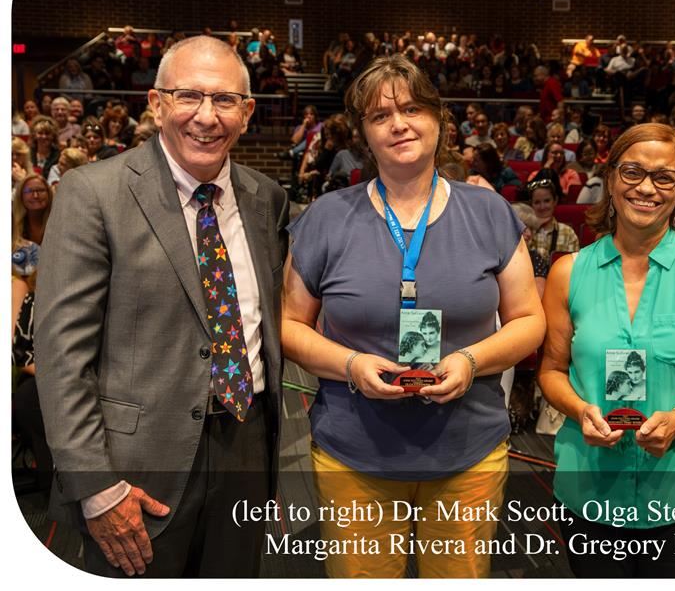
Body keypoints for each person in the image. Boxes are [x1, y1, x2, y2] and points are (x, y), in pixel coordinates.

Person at [281, 54, 545, 578]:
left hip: (467, 451)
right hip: (355, 452)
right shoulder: (326, 218)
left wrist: (471, 360)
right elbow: (290, 327)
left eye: (411, 109)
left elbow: (528, 320)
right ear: (364, 134)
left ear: (439, 120)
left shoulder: (489, 212)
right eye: (381, 116)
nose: (399, 124)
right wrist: (352, 364)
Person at [34, 35, 289, 577]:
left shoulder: (267, 198)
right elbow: (61, 356)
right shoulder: (93, 193)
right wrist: (95, 485)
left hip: (246, 441)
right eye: (188, 96)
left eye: (224, 100)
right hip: (135, 462)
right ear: (155, 104)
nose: (206, 116)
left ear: (246, 113)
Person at [538, 122, 675, 577]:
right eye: (632, 172)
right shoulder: (567, 273)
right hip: (588, 486)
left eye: (663, 177)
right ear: (610, 179)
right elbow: (551, 369)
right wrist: (577, 410)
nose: (645, 187)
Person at [527, 171, 579, 264]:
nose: (542, 207)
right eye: (537, 202)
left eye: (547, 201)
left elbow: (574, 268)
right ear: (531, 204)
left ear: (555, 201)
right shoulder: (525, 233)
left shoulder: (568, 232)